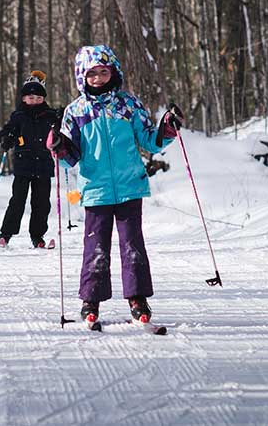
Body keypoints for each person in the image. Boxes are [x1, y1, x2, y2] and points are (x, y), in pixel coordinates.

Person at [46, 45, 183, 325]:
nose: (97, 78)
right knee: (96, 247)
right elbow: (70, 157)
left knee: (132, 245)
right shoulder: (76, 111)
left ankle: (138, 299)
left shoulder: (128, 105)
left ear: (114, 72)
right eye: (91, 74)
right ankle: (90, 301)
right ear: (81, 77)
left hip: (130, 186)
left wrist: (166, 130)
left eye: (103, 72)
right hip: (95, 190)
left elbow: (149, 140)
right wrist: (58, 148)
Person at [0, 71, 60, 249]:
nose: (35, 101)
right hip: (24, 164)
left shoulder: (50, 116)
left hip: (43, 165)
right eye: (31, 98)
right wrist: (5, 139)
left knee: (41, 203)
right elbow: (6, 133)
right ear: (24, 99)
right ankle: (6, 234)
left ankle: (37, 236)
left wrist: (61, 121)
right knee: (17, 200)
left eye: (39, 98)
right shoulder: (19, 116)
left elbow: (62, 133)